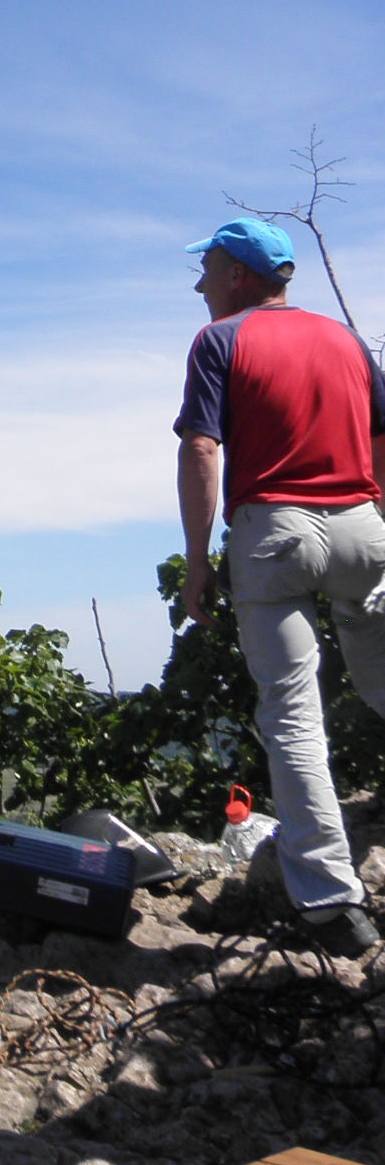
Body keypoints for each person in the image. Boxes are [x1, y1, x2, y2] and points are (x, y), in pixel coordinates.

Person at [174, 215, 385, 956]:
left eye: (207, 270)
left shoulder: (220, 341)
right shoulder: (345, 341)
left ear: (237, 274)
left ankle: (331, 904)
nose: (199, 284)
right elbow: (383, 439)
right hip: (363, 523)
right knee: (382, 677)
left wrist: (198, 560)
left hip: (275, 532)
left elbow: (203, 447)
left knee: (294, 713)